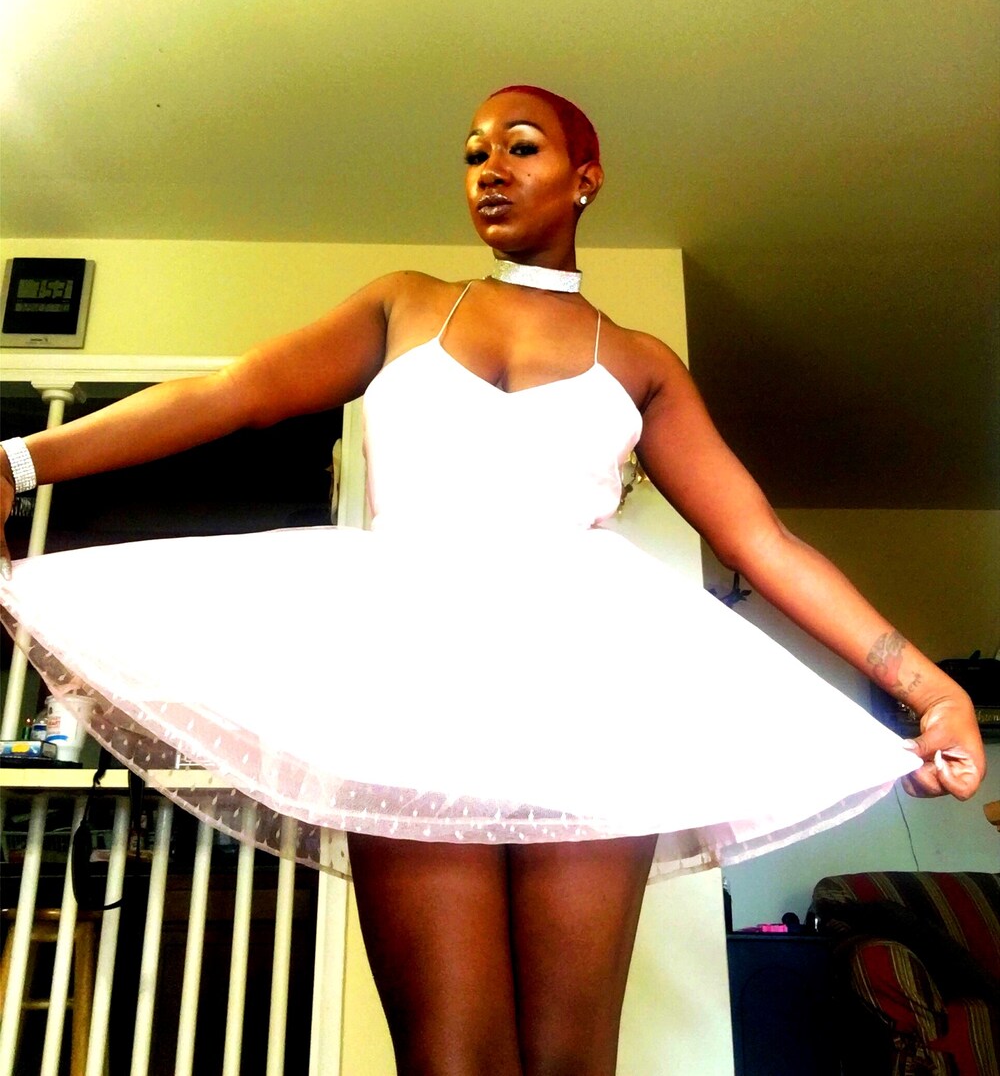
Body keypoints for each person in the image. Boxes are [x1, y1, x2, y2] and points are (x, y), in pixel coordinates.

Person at [0, 85, 985, 1075]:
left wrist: (929, 687)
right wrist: (19, 462)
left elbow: (761, 541)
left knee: (569, 1058)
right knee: (450, 1054)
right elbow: (233, 393)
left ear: (585, 178)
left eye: (520, 146)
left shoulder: (641, 364)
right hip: (415, 688)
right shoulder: (404, 304)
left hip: (588, 695)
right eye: (474, 154)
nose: (490, 170)